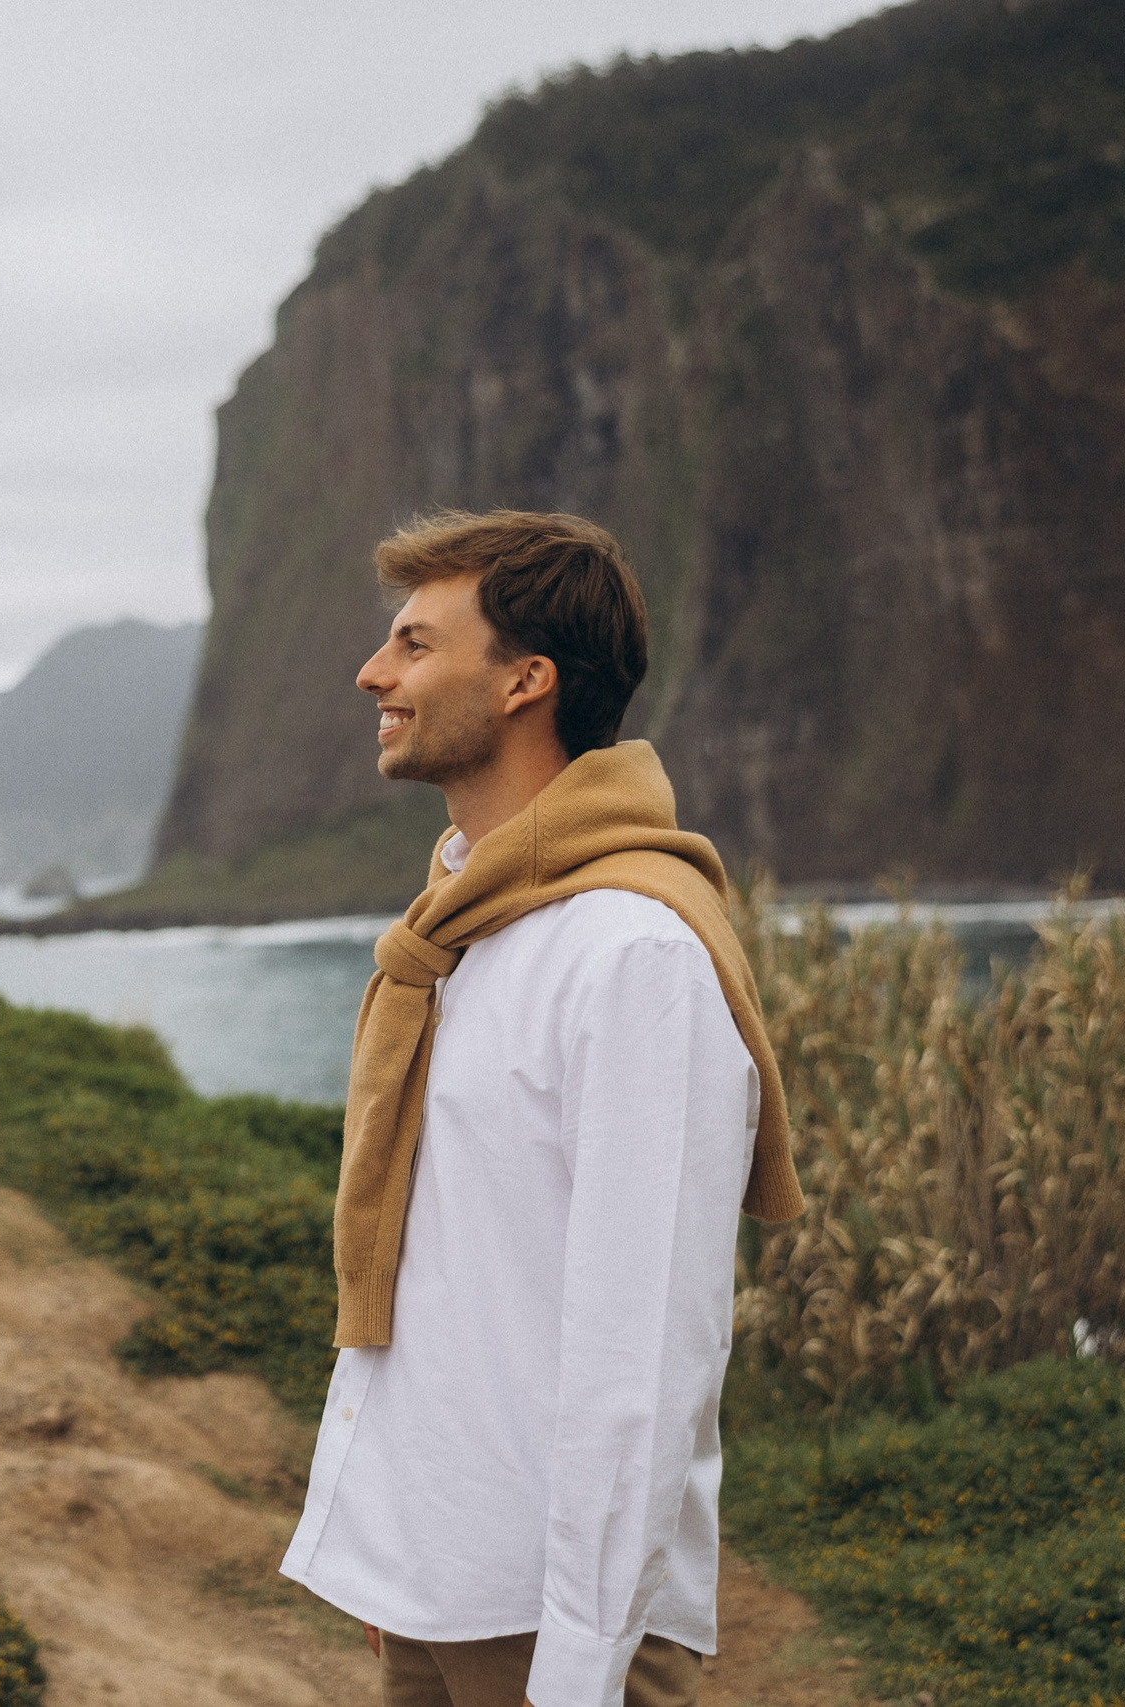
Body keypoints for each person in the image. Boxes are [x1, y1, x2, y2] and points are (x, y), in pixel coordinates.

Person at [279, 511, 803, 1707]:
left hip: (556, 1621)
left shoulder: (630, 957)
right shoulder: (461, 929)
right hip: (442, 1576)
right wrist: (396, 1548)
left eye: (414, 645)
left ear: (526, 681)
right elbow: (457, 1272)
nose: (374, 673)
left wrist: (577, 1665)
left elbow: (644, 1353)